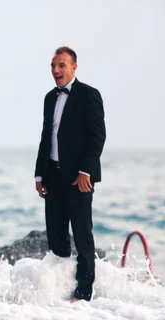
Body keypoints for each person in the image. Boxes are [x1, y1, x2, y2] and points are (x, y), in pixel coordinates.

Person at [34, 46, 106, 302]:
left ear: (74, 67)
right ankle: (60, 291)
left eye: (61, 65)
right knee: (55, 236)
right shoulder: (49, 98)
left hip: (79, 178)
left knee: (83, 235)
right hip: (53, 176)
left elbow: (98, 136)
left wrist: (86, 171)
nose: (56, 71)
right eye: (53, 66)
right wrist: (39, 175)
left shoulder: (89, 95)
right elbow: (46, 137)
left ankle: (84, 294)